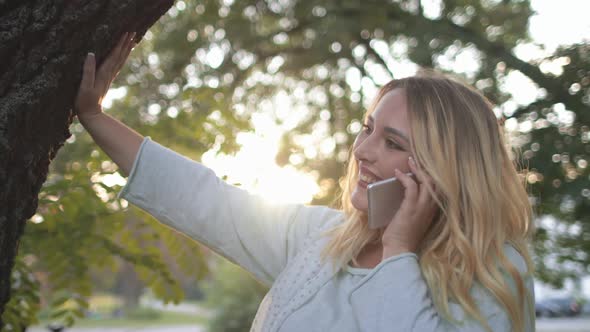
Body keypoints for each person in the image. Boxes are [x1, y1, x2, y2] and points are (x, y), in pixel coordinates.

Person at [75, 32, 535, 332]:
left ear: (447, 169)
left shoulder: (492, 275)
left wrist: (399, 252)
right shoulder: (321, 237)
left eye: (393, 143)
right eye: (367, 129)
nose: (362, 151)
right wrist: (94, 117)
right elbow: (205, 199)